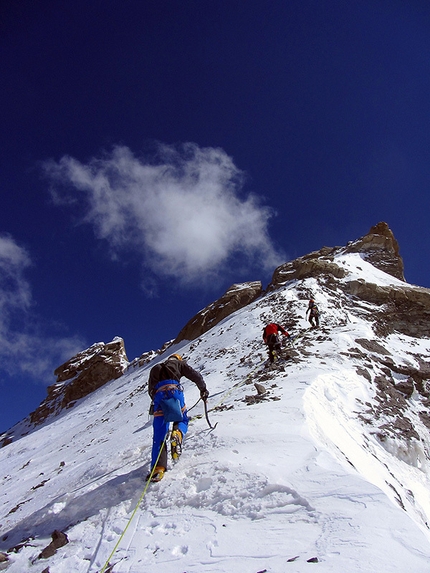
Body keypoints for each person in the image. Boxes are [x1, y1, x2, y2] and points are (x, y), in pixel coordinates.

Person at [146, 353, 209, 482]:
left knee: (159, 433)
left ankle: (158, 468)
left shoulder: (155, 368)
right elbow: (195, 376)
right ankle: (178, 434)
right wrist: (203, 390)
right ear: (178, 359)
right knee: (182, 419)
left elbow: (150, 390)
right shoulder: (179, 364)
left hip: (158, 398)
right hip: (175, 392)